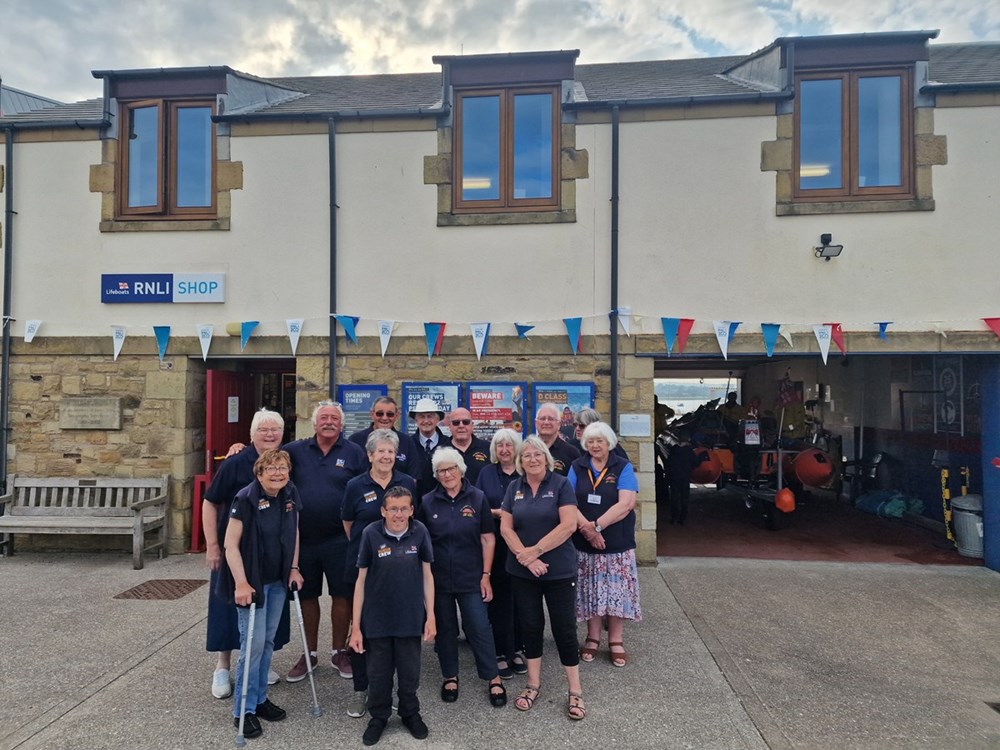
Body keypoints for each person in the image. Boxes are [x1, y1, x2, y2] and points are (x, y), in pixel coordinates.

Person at [217, 449, 303, 739]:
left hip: (278, 580)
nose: (278, 473)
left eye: (282, 468)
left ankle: (260, 699)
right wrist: (241, 583)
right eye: (272, 469)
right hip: (252, 581)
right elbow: (231, 545)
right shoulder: (245, 498)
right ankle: (243, 711)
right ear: (259, 473)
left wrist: (294, 567)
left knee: (267, 642)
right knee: (251, 646)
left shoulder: (289, 493)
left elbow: (295, 531)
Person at [203, 408, 289, 699]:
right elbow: (210, 502)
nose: (269, 434)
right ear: (252, 434)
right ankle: (222, 666)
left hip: (270, 556)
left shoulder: (284, 462)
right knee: (228, 608)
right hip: (235, 553)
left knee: (266, 616)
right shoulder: (235, 463)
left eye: (275, 429)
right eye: (263, 430)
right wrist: (213, 546)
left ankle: (259, 667)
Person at [500, 436, 585, 720]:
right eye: (526, 456)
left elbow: (569, 525)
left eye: (537, 455)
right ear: (520, 461)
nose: (532, 459)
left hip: (558, 570)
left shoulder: (560, 484)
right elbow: (506, 528)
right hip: (523, 572)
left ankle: (574, 690)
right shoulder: (514, 487)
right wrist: (526, 558)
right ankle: (533, 684)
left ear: (546, 458)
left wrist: (535, 552)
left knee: (564, 630)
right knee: (531, 627)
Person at [284, 401, 367, 682]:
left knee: (341, 595)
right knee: (307, 596)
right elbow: (264, 463)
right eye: (324, 418)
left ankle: (339, 651)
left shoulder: (354, 452)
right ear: (314, 423)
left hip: (340, 539)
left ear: (341, 425)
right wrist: (239, 448)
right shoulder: (293, 451)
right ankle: (309, 653)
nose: (329, 422)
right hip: (304, 540)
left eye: (334, 418)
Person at [416, 448, 506, 708]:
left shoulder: (477, 498)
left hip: (471, 577)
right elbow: (422, 540)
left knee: (479, 627)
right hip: (439, 579)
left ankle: (492, 676)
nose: (446, 474)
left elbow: (488, 538)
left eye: (451, 469)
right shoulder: (428, 501)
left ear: (461, 470)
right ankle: (450, 676)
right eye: (441, 471)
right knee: (445, 629)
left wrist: (486, 575)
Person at [349, 487, 435, 746]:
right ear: (383, 511)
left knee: (410, 673)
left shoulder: (419, 532)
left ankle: (410, 712)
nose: (398, 514)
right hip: (377, 619)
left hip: (409, 618)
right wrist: (356, 627)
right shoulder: (370, 534)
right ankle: (379, 716)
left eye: (404, 509)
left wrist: (431, 615)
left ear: (411, 510)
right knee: (378, 673)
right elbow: (360, 581)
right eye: (393, 509)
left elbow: (428, 576)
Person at [341, 429, 417, 719]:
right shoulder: (355, 485)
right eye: (380, 451)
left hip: (400, 569)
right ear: (370, 455)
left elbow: (412, 522)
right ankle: (363, 690)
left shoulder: (407, 482)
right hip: (362, 568)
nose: (386, 456)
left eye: (390, 452)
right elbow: (348, 523)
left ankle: (393, 692)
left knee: (395, 630)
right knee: (361, 629)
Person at [569, 422, 641, 668]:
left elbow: (626, 504)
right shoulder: (576, 467)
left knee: (616, 592)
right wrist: (588, 531)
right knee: (591, 590)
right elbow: (567, 501)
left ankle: (616, 640)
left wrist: (595, 527)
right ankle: (592, 637)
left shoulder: (622, 466)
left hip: (617, 543)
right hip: (585, 543)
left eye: (599, 441)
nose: (594, 445)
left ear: (608, 442)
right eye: (590, 441)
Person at [474, 428, 525, 678]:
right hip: (494, 543)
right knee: (496, 598)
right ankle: (499, 651)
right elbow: (479, 506)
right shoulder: (486, 473)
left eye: (509, 445)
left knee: (520, 597)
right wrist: (504, 513)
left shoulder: (525, 473)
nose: (504, 450)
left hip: (521, 544)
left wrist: (502, 512)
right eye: (499, 445)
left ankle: (517, 648)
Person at [348, 396, 423, 482]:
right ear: (372, 414)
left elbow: (413, 478)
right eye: (379, 413)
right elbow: (349, 475)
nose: (384, 418)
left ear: (397, 416)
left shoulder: (407, 442)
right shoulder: (355, 440)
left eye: (390, 414)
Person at [409, 397, 450, 499]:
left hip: (443, 503)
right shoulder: (408, 444)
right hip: (414, 504)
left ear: (437, 419)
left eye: (430, 416)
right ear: (416, 419)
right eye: (422, 417)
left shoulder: (449, 445)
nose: (426, 421)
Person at [445, 407, 491, 484]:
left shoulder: (488, 449)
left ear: (472, 425)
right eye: (456, 422)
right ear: (449, 426)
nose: (461, 426)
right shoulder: (440, 451)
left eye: (466, 422)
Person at [534, 402, 581, 475]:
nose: (546, 422)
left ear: (559, 424)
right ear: (536, 423)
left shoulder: (572, 453)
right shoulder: (527, 451)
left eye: (551, 419)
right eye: (542, 419)